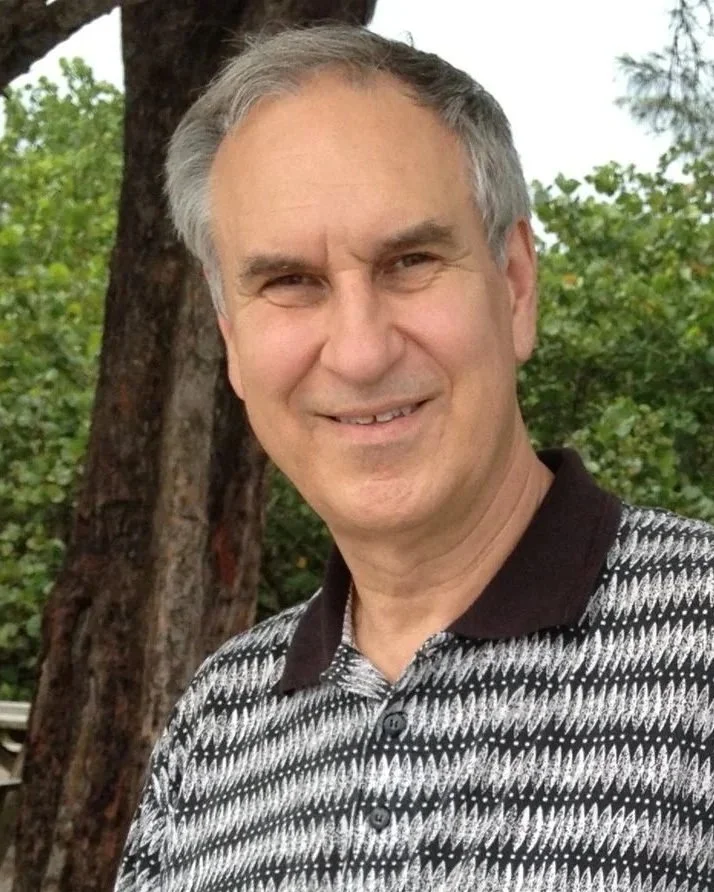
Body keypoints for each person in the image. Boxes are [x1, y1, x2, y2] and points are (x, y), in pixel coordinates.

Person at [115, 24, 714, 892]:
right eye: (290, 282)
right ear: (233, 344)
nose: (359, 352)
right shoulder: (217, 724)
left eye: (410, 261)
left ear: (513, 287)